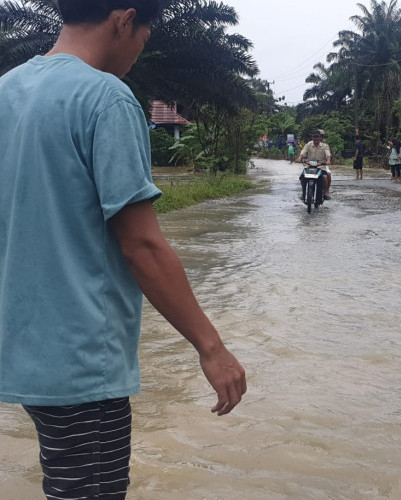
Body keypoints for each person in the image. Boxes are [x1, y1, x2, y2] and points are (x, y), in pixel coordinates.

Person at [0, 2, 247, 498]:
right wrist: (211, 347)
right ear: (122, 19)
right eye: (143, 37)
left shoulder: (7, 91)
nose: (137, 52)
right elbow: (142, 246)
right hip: (83, 359)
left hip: (23, 349)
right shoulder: (105, 97)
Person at [297, 130, 332, 200]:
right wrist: (299, 158)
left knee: (325, 177)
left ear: (320, 138)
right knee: (302, 177)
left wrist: (328, 160)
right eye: (314, 137)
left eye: (317, 137)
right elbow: (303, 152)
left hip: (321, 167)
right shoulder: (308, 144)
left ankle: (325, 192)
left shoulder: (325, 146)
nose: (316, 139)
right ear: (312, 138)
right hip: (309, 166)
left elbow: (328, 154)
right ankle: (303, 192)